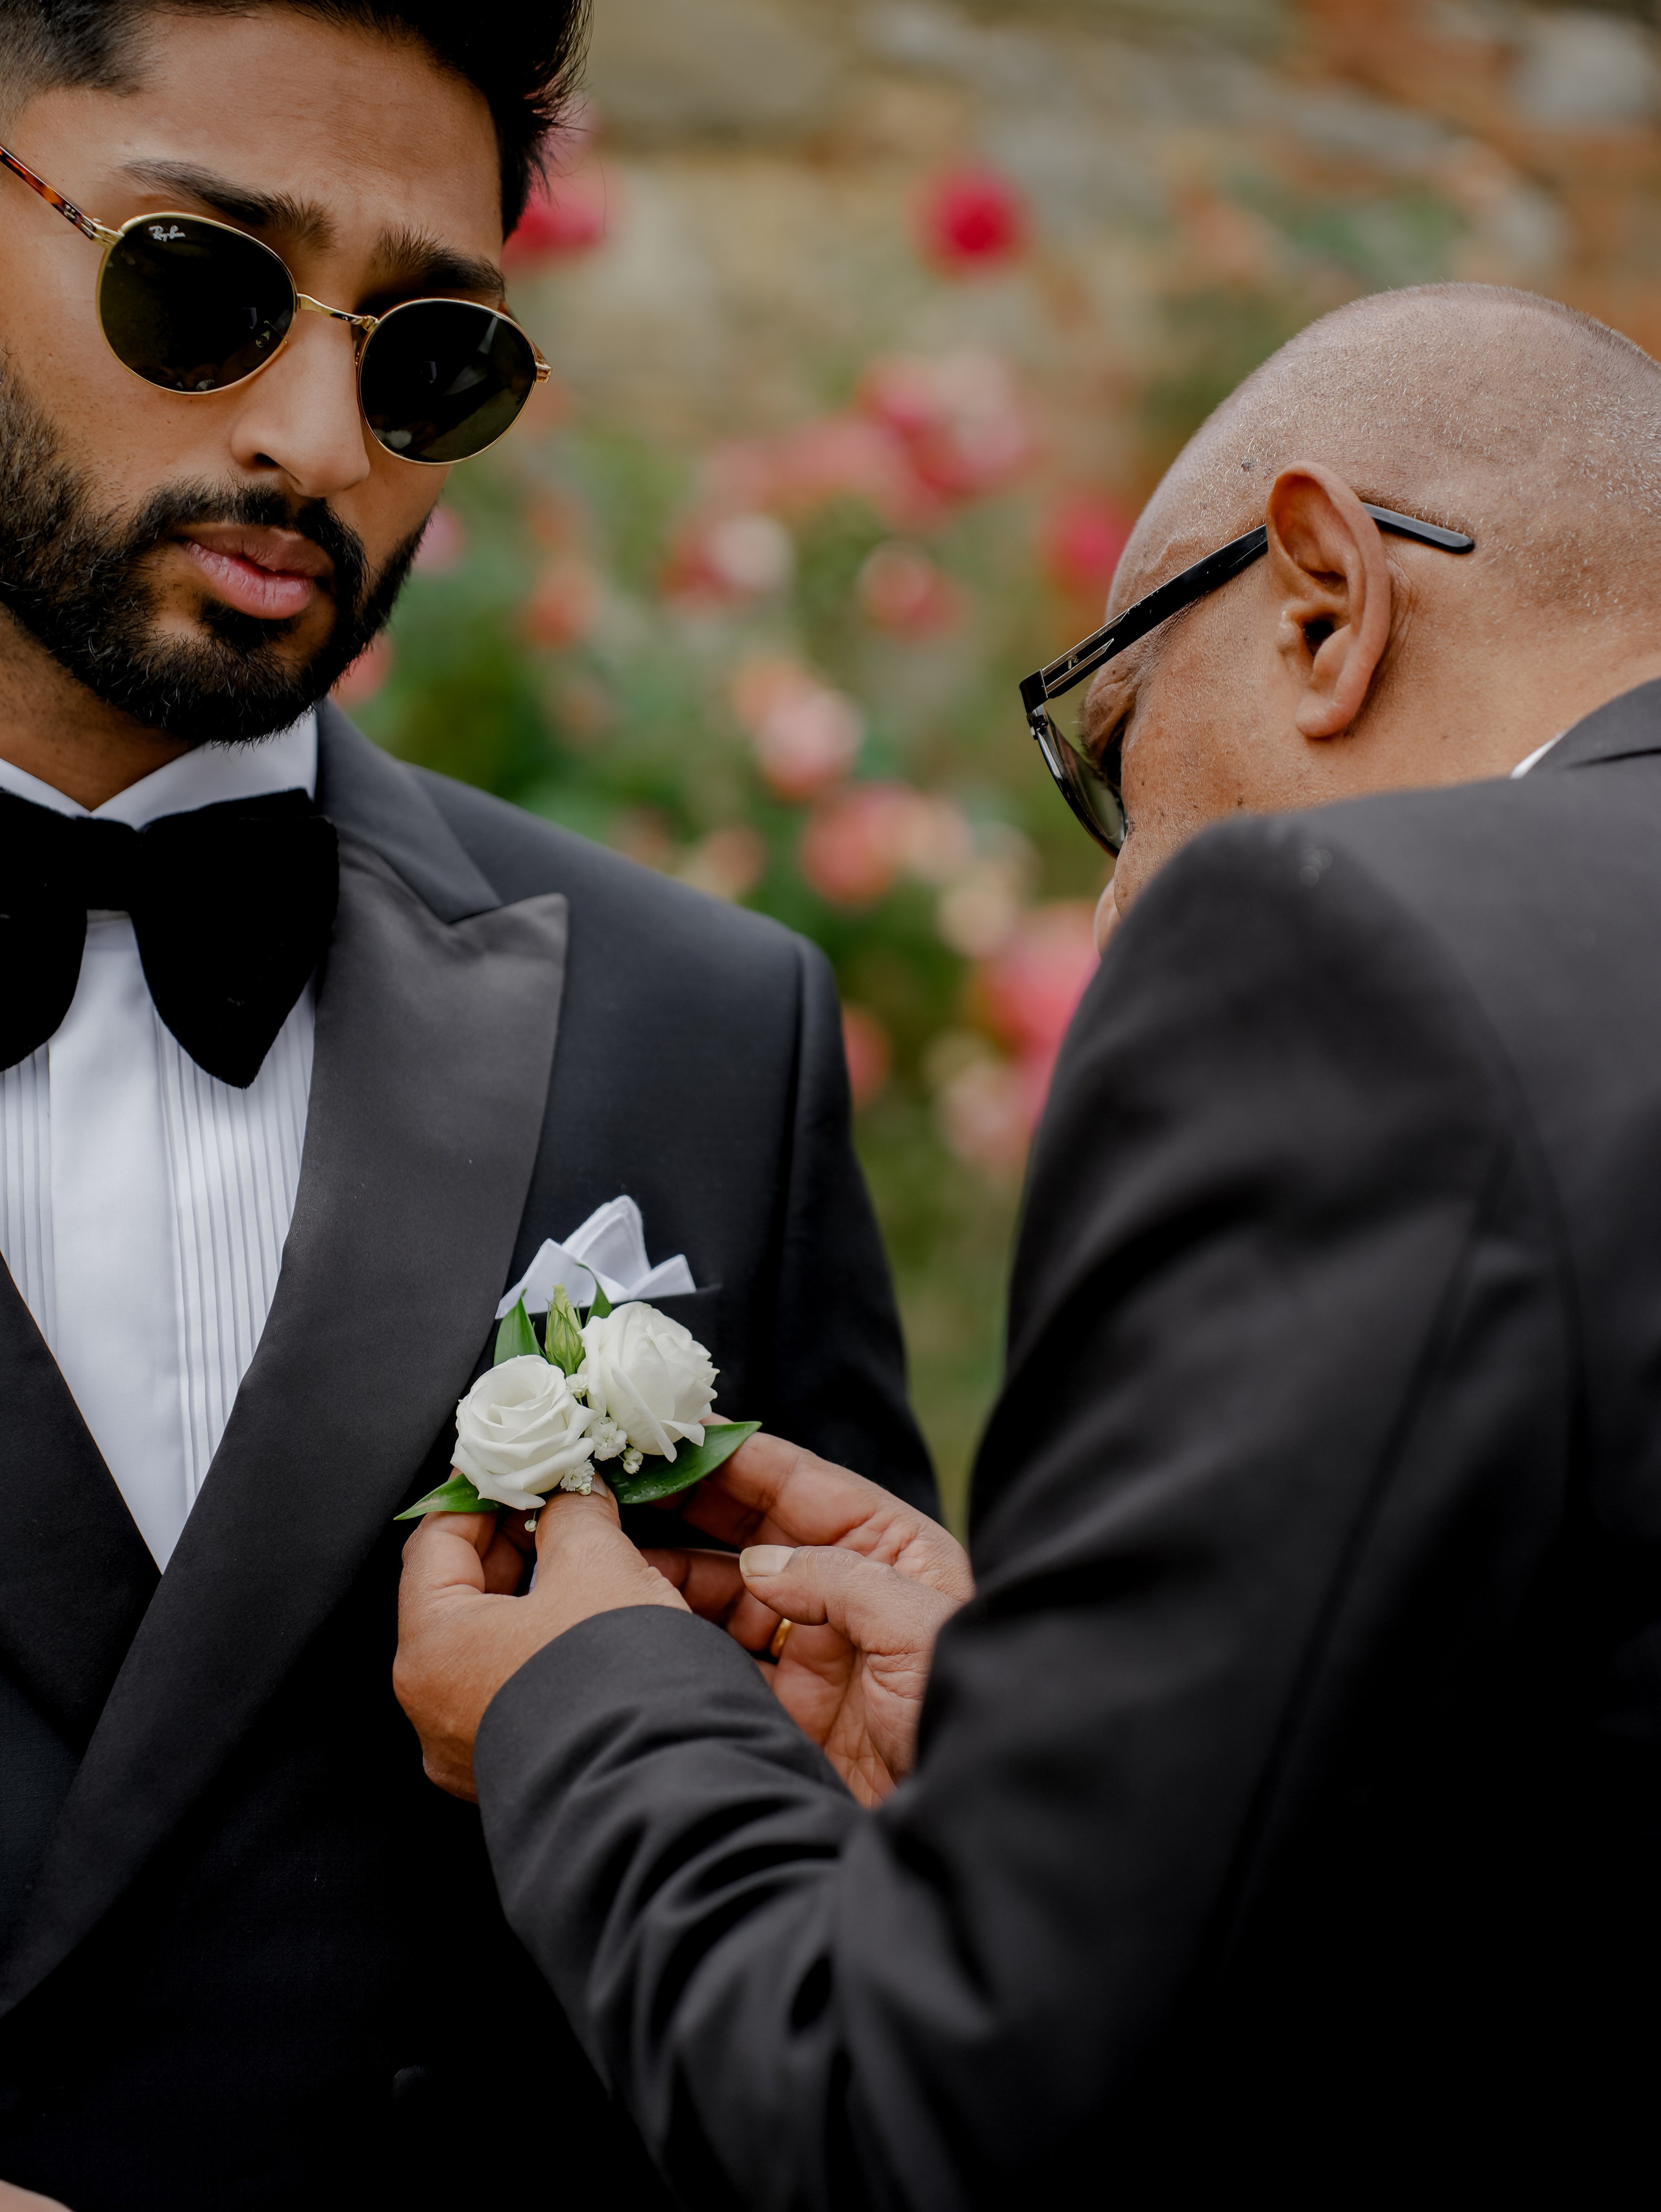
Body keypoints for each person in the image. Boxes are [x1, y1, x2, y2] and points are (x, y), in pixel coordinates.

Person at [396, 282, 1661, 2204]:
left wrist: (591, 1701)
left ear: (1323, 601)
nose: (1124, 899)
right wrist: (1059, 1737)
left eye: (1116, 757)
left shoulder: (1357, 961)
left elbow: (923, 2124)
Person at [0, 4, 932, 2206]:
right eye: (200, 285)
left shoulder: (709, 1027)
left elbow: (848, 1998)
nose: (321, 436)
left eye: (428, 356)